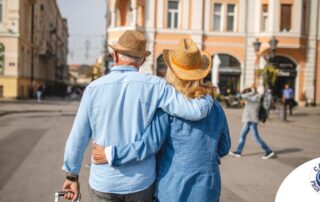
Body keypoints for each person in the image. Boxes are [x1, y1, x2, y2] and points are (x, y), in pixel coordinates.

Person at [61, 31, 213, 202]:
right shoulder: (156, 86)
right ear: (142, 60)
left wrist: (71, 176)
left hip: (104, 182)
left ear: (115, 54)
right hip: (141, 182)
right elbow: (194, 111)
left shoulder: (93, 89)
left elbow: (77, 138)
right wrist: (208, 95)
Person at [92, 39, 231, 202]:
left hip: (173, 185)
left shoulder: (169, 107)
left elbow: (149, 145)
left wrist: (111, 154)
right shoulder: (215, 107)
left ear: (172, 71)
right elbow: (224, 147)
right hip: (208, 186)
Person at [229, 85, 275, 159]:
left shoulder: (255, 98)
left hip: (251, 120)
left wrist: (251, 92)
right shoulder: (255, 98)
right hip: (249, 120)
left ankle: (268, 151)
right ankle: (238, 152)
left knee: (256, 137)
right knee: (243, 136)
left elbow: (242, 96)